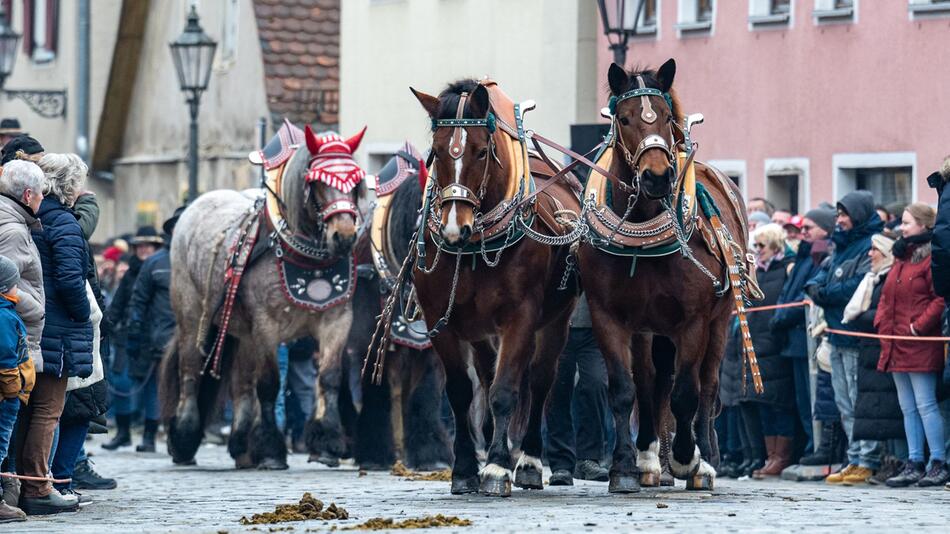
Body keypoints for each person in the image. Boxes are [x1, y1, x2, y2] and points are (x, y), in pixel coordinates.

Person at [16, 153, 94, 515]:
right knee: (48, 409)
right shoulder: (62, 221)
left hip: (35, 324)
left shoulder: (35, 216)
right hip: (57, 328)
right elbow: (69, 279)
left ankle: (24, 482)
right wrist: (83, 315)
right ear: (69, 185)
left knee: (28, 410)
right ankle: (37, 485)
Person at [806, 190, 884, 485]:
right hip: (835, 335)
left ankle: (868, 458)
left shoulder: (871, 243)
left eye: (843, 215)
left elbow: (857, 285)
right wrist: (819, 290)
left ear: (858, 214)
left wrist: (825, 294)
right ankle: (854, 457)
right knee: (843, 402)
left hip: (855, 336)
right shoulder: (840, 245)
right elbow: (818, 277)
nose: (839, 220)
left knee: (857, 398)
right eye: (837, 215)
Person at [875, 204, 948, 487]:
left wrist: (918, 326)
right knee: (907, 407)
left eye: (906, 223)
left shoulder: (931, 259)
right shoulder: (901, 258)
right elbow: (886, 297)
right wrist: (883, 324)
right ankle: (914, 460)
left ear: (924, 225)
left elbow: (939, 298)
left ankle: (938, 460)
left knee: (926, 404)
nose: (902, 228)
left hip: (918, 342)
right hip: (895, 341)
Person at [770, 207, 836, 459]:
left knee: (811, 399)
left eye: (809, 227)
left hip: (804, 336)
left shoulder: (819, 255)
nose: (804, 232)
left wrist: (782, 317)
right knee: (800, 399)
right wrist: (779, 315)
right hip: (793, 338)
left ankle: (815, 446)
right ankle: (808, 446)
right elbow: (789, 291)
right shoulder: (804, 255)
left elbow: (804, 296)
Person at [841, 234, 905, 486]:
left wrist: (859, 318)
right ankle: (882, 460)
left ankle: (896, 459)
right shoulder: (873, 278)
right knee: (875, 408)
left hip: (884, 347)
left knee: (892, 409)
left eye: (875, 249)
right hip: (870, 349)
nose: (870, 254)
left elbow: (884, 312)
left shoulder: (888, 277)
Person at [738, 224, 796, 478]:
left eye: (762, 246)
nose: (758, 251)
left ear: (774, 244)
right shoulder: (757, 271)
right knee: (763, 405)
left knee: (779, 405)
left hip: (776, 343)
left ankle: (781, 457)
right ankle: (769, 456)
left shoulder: (786, 269)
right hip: (757, 344)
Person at [101, 226, 164, 451]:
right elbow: (117, 304)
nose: (144, 250)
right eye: (140, 246)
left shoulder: (162, 270)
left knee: (151, 387)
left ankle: (149, 437)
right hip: (127, 335)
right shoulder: (130, 273)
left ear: (156, 247)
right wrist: (105, 326)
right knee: (121, 382)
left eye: (149, 245)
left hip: (152, 337)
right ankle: (124, 432)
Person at [125, 209, 181, 453]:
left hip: (195, 339)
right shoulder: (155, 264)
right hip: (160, 338)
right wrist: (135, 332)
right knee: (157, 389)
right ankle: (151, 434)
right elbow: (139, 300)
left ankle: (180, 436)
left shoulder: (204, 261)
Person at [545, 296, 609, 485]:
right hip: (557, 325)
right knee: (557, 389)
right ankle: (561, 463)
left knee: (596, 384)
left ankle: (589, 458)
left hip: (593, 329)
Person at [0, 256, 33, 523]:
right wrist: (13, 391)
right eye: (14, 283)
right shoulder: (3, 316)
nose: (16, 288)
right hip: (5, 397)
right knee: (0, 447)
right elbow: (6, 358)